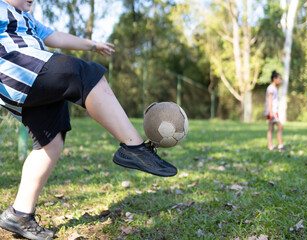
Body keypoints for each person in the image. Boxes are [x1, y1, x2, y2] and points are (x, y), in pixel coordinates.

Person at [0, 0, 177, 239]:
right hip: (14, 69)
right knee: (81, 72)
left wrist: (93, 45)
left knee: (50, 142)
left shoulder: (27, 19)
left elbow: (55, 37)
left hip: (35, 78)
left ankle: (20, 213)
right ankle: (134, 147)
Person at [264, 70, 284, 151]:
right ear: (274, 79)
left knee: (271, 128)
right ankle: (280, 145)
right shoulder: (271, 88)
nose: (280, 80)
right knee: (280, 126)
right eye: (279, 78)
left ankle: (270, 146)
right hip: (272, 111)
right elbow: (269, 100)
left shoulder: (274, 88)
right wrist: (271, 112)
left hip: (274, 111)